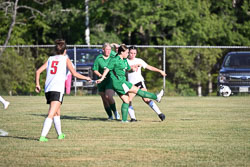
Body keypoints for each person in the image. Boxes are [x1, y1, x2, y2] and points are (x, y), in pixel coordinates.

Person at [35, 39, 92, 142]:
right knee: (51, 113)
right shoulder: (65, 59)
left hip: (48, 89)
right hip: (57, 89)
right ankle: (42, 136)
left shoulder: (50, 58)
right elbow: (74, 74)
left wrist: (37, 84)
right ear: (65, 50)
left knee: (57, 112)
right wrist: (86, 78)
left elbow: (38, 71)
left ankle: (60, 134)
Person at [96, 44, 164, 122]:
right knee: (140, 92)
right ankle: (156, 97)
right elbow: (107, 69)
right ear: (121, 52)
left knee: (126, 100)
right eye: (127, 52)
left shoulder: (124, 60)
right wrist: (101, 78)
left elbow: (128, 69)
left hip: (122, 83)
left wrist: (133, 69)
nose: (128, 54)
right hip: (120, 83)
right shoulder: (115, 60)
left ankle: (124, 120)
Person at [127, 46, 167, 122]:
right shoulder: (125, 61)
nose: (133, 55)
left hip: (139, 82)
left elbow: (149, 67)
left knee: (146, 99)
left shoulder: (139, 60)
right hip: (130, 84)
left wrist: (160, 71)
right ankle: (133, 118)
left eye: (134, 53)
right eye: (131, 53)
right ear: (128, 52)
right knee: (128, 100)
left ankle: (160, 114)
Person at [93, 43, 120, 120]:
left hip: (110, 79)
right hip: (101, 81)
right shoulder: (99, 58)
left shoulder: (113, 56)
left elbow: (120, 54)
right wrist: (100, 75)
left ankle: (115, 112)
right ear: (103, 50)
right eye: (107, 49)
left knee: (108, 96)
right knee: (104, 99)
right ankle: (110, 116)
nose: (108, 51)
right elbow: (95, 69)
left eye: (109, 50)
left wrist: (116, 45)